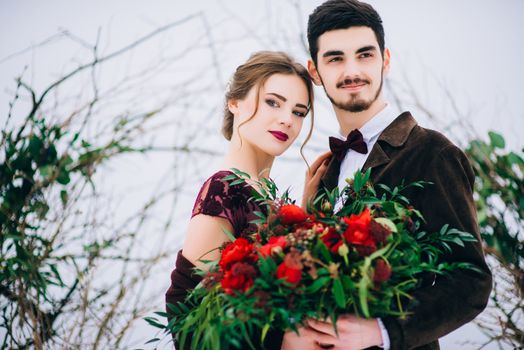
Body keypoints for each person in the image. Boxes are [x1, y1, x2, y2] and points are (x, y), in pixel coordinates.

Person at [283, 0, 492, 349]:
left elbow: (471, 282)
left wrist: (381, 330)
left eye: (365, 55)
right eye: (335, 58)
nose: (352, 71)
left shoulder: (432, 153)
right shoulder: (326, 172)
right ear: (315, 72)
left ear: (386, 61)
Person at [165, 50, 315, 349]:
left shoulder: (273, 200)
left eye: (299, 112)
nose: (287, 120)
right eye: (273, 102)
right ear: (234, 102)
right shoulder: (224, 190)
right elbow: (190, 320)